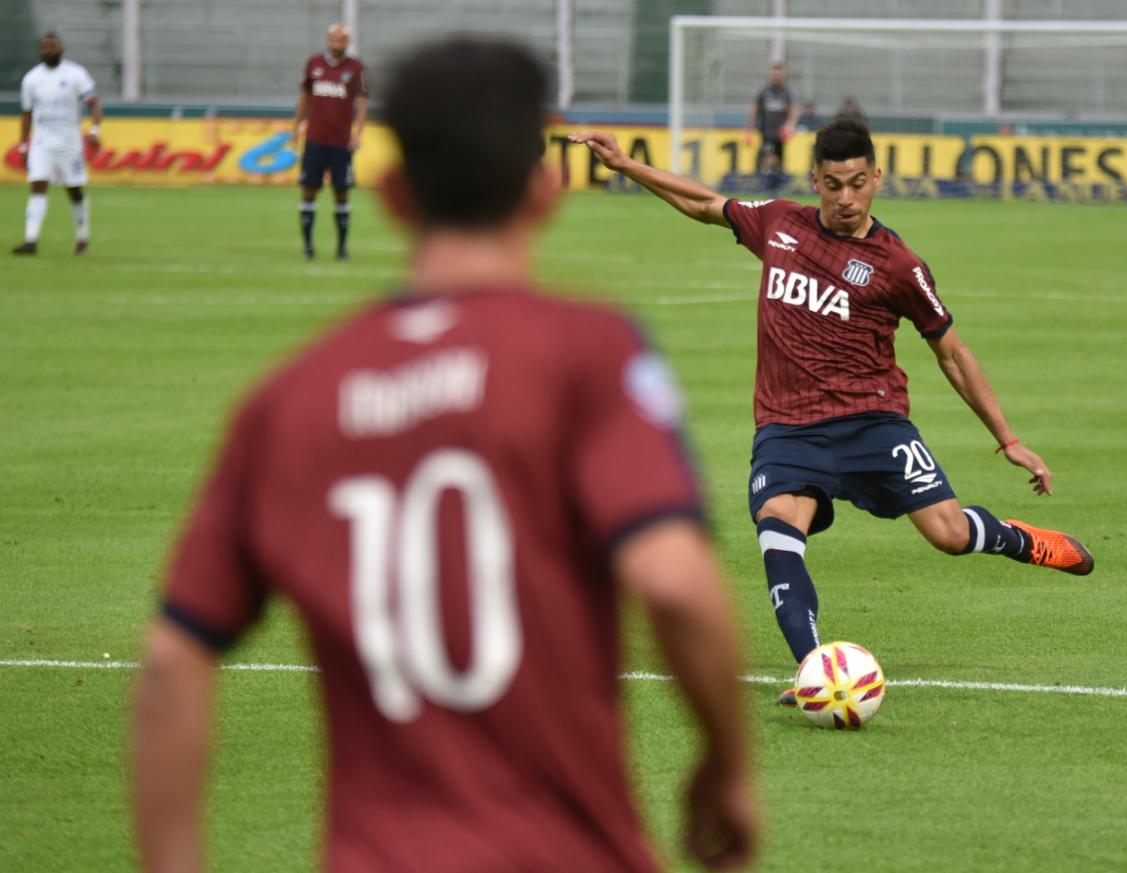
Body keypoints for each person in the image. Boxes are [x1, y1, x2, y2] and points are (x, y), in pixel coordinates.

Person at [132, 39, 756, 873]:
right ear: (543, 191)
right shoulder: (588, 352)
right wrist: (727, 766)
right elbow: (676, 584)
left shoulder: (289, 397)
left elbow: (174, 660)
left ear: (392, 196)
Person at [570, 118, 1094, 703]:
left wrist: (1007, 437)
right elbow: (702, 202)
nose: (846, 198)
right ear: (814, 180)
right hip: (788, 429)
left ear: (877, 178)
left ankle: (1025, 541)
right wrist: (625, 166)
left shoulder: (899, 265)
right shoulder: (779, 223)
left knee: (947, 534)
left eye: (858, 183)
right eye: (833, 184)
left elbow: (951, 352)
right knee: (777, 525)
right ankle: (816, 669)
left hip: (874, 423)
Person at [12, 32, 100, 256]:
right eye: (44, 48)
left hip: (69, 141)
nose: (48, 51)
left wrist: (94, 130)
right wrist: (23, 145)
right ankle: (31, 240)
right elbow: (26, 115)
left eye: (52, 47)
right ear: (40, 51)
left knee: (74, 190)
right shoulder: (31, 79)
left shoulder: (75, 74)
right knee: (38, 185)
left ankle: (82, 236)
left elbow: (94, 103)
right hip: (42, 142)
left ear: (61, 49)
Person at [290, 23, 368, 260]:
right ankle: (308, 247)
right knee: (309, 191)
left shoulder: (356, 68)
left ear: (348, 42)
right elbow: (305, 96)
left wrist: (357, 133)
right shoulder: (313, 63)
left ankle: (342, 248)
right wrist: (296, 125)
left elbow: (362, 102)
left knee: (341, 192)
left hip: (341, 142)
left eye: (342, 39)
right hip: (315, 139)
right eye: (334, 38)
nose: (337, 42)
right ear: (327, 40)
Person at [744, 62, 796, 179]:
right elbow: (754, 110)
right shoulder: (764, 91)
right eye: (774, 73)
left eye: (779, 73)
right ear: (770, 74)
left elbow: (792, 111)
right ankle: (768, 181)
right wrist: (749, 130)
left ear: (783, 75)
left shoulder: (786, 92)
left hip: (781, 134)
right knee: (769, 157)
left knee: (779, 159)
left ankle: (775, 184)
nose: (776, 76)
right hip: (767, 132)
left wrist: (790, 125)